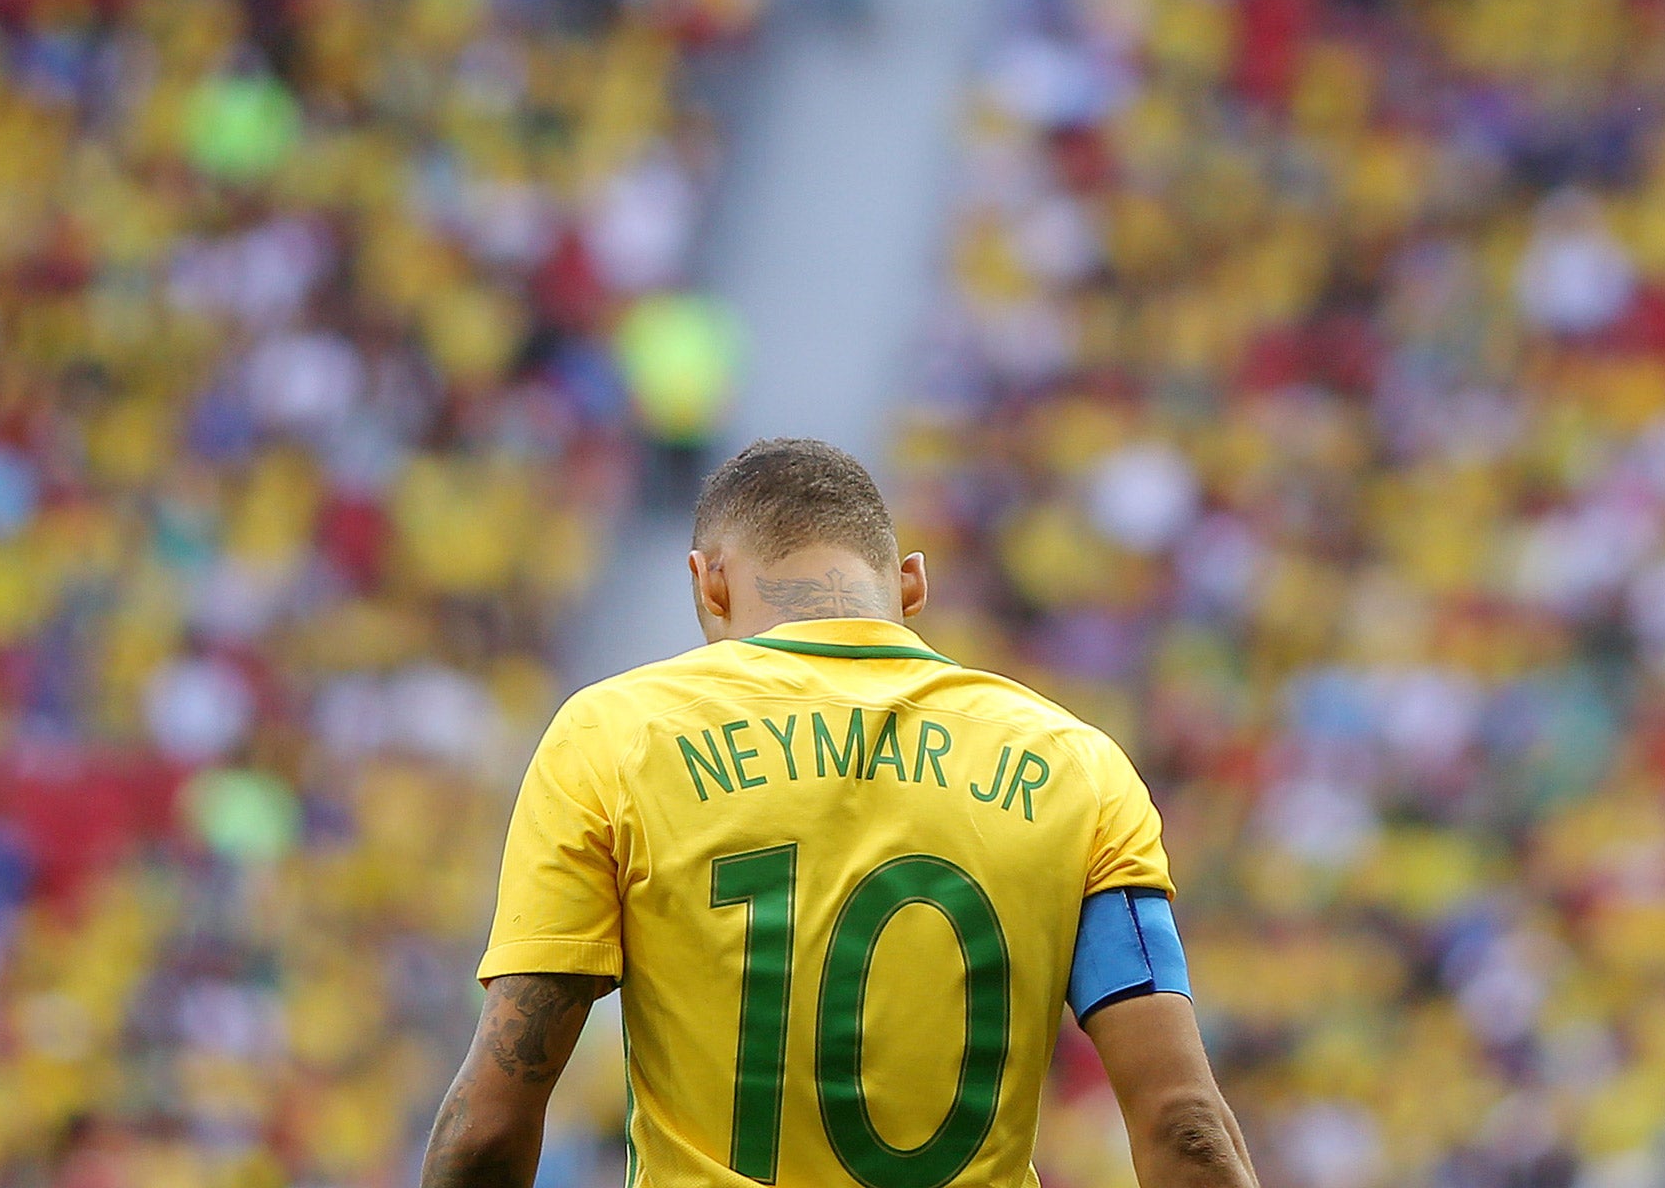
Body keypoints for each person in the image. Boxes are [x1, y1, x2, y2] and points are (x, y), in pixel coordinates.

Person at [420, 437, 1256, 1188]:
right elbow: (1186, 1129)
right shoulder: (1078, 768)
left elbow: (490, 1128)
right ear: (911, 585)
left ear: (708, 584)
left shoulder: (614, 738)